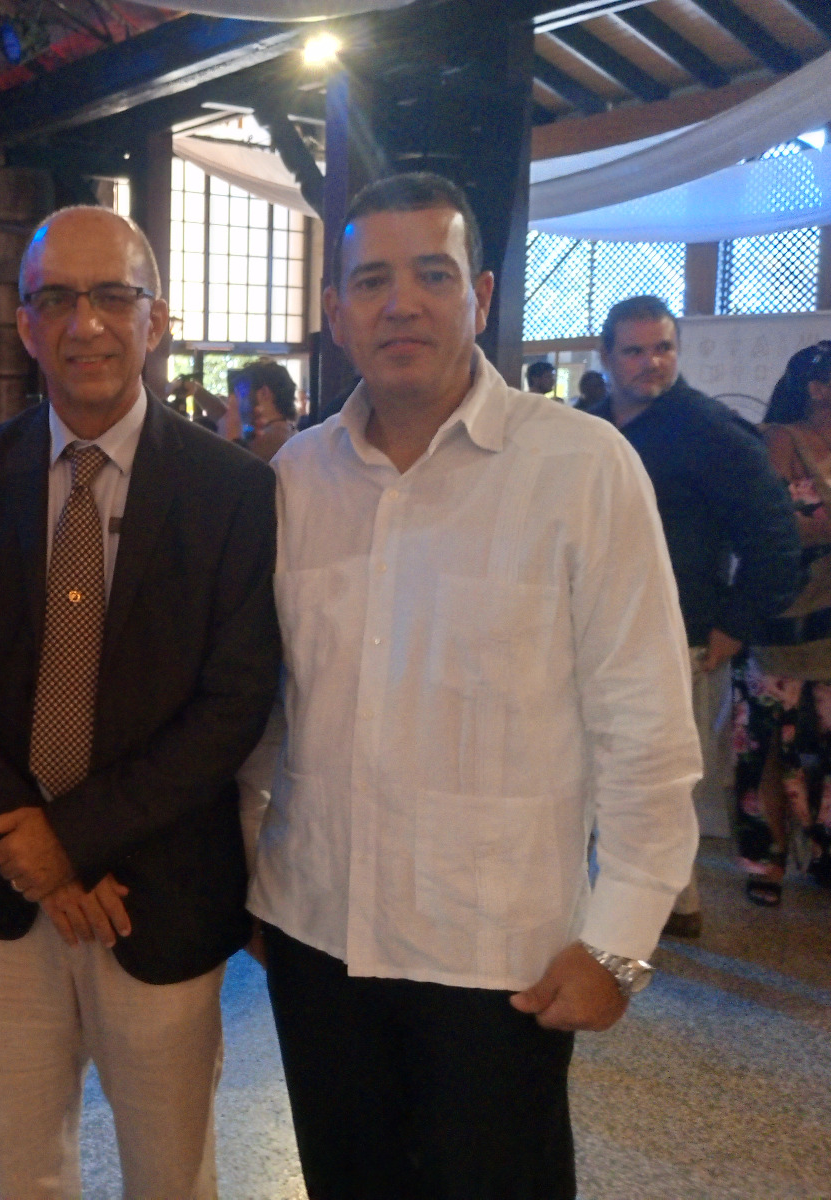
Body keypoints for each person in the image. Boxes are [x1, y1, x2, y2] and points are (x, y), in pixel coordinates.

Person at [248, 173, 701, 1200]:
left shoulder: (581, 467)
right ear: (334, 313)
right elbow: (270, 705)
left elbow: (645, 723)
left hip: (498, 953)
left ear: (482, 296)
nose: (399, 302)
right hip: (319, 935)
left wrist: (620, 940)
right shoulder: (295, 478)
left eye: (431, 274)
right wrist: (252, 875)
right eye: (370, 280)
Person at [0, 205, 279, 1199]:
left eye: (113, 296)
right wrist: (31, 848)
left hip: (158, 896)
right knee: (24, 1169)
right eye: (56, 299)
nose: (86, 324)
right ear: (24, 325)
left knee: (171, 1176)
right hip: (4, 897)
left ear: (155, 319)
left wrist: (67, 841)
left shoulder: (234, 490)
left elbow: (232, 703)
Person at [584, 294, 802, 937]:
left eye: (664, 348)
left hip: (676, 633)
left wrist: (735, 625)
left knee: (657, 780)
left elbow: (774, 539)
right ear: (607, 355)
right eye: (635, 350)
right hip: (590, 632)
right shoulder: (589, 428)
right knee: (596, 775)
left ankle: (670, 910)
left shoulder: (711, 431)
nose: (652, 362)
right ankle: (642, 902)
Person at [732, 341, 831, 903]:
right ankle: (766, 861)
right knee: (770, 742)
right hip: (782, 617)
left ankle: (822, 853)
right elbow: (766, 527)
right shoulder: (778, 440)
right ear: (817, 388)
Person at [234, 359, 300, 462]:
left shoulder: (267, 441)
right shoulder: (291, 433)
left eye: (243, 394)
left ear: (264, 393)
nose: (239, 402)